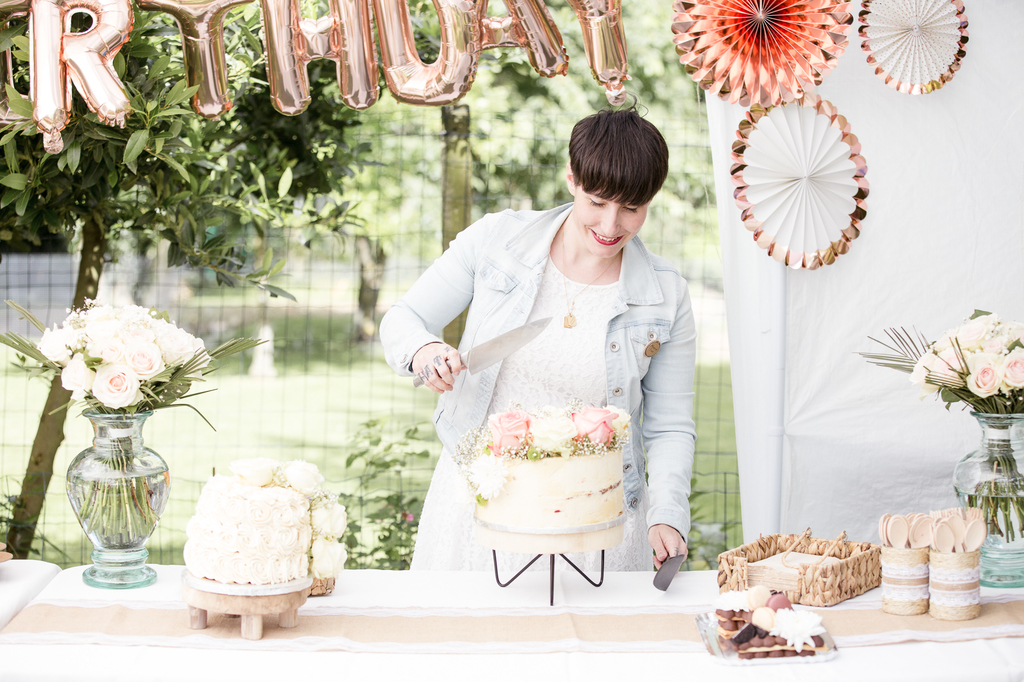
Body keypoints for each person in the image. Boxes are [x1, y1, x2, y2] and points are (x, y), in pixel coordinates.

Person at [380, 106, 696, 572]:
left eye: (631, 208)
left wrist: (668, 515)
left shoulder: (665, 296)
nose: (611, 226)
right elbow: (403, 319)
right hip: (478, 507)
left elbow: (669, 426)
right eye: (597, 201)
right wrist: (424, 350)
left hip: (598, 522)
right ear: (572, 179)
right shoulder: (494, 241)